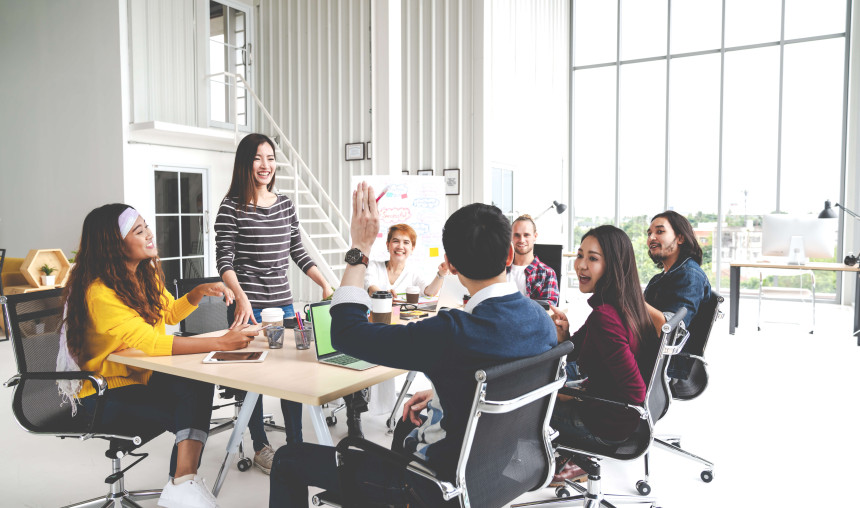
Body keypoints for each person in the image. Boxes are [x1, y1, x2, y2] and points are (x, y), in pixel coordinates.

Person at [269, 184, 557, 507]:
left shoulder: (450, 333)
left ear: (452, 265)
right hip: (496, 473)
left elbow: (347, 333)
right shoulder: (542, 321)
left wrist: (360, 248)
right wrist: (445, 392)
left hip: (435, 484)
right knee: (407, 422)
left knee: (287, 459)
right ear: (509, 254)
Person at [61, 203, 257, 508]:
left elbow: (168, 314)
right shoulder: (98, 292)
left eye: (146, 226)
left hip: (135, 377)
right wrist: (221, 342)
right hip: (100, 393)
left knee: (197, 382)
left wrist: (197, 293)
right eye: (139, 231)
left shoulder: (142, 275)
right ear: (114, 244)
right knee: (186, 404)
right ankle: (182, 485)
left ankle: (182, 483)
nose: (149, 234)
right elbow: (151, 343)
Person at [215, 132, 336, 472]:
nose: (265, 165)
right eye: (258, 158)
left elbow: (297, 250)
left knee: (289, 377)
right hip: (248, 308)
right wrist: (240, 298)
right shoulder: (231, 208)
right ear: (245, 163)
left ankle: (295, 445)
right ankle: (260, 445)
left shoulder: (284, 204)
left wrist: (324, 282)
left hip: (283, 306)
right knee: (252, 378)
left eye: (270, 157)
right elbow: (224, 260)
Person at [548, 225, 657, 486]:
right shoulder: (624, 304)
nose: (581, 266)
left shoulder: (605, 317)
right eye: (580, 255)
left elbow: (635, 394)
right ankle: (571, 460)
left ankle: (549, 465)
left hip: (607, 426)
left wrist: (579, 396)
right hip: (618, 418)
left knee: (525, 407)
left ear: (613, 265)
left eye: (593, 258)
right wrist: (564, 336)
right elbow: (575, 348)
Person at [644, 210, 712, 333]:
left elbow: (671, 329)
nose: (651, 238)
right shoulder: (659, 278)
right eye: (649, 234)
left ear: (680, 238)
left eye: (660, 231)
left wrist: (629, 300)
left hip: (662, 351)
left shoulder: (690, 275)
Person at [365, 223, 448, 297]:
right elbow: (370, 286)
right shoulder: (373, 266)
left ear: (412, 248)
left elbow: (429, 292)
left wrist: (441, 273)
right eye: (396, 241)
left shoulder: (413, 273)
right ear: (388, 245)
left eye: (406, 242)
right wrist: (385, 296)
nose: (400, 247)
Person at [507, 214, 560, 305]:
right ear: (511, 237)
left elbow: (548, 311)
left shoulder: (547, 273)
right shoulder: (499, 270)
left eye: (526, 235)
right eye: (517, 235)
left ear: (535, 236)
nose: (521, 240)